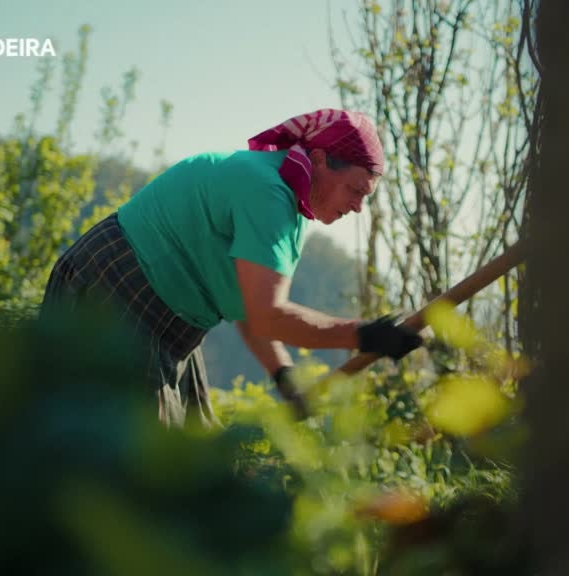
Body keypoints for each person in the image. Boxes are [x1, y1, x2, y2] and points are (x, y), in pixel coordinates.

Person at [40, 109, 423, 427]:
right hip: (116, 294)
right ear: (320, 159)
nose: (358, 206)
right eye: (355, 190)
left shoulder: (283, 198)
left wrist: (284, 376)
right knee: (131, 469)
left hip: (166, 324)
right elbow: (268, 315)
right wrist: (365, 335)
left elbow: (247, 303)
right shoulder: (268, 193)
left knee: (189, 461)